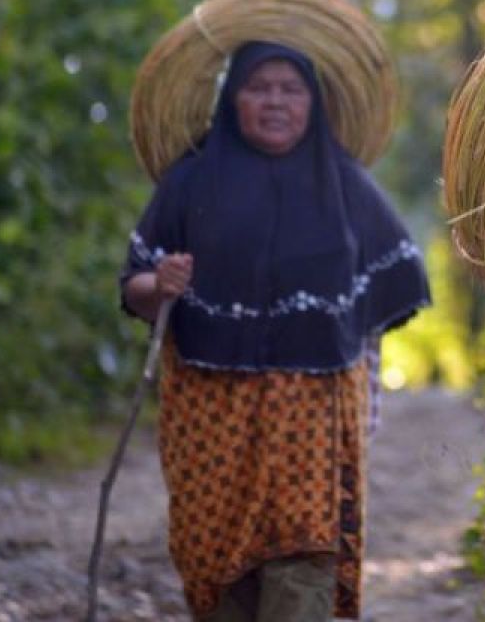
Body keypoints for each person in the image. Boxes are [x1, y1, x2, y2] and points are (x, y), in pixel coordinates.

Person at [119, 41, 431, 621]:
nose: (275, 102)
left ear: (315, 102)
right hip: (209, 413)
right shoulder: (189, 182)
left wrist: (346, 348)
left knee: (303, 553)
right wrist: (159, 283)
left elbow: (396, 284)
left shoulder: (346, 185)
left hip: (310, 412)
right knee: (215, 563)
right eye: (259, 88)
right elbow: (132, 285)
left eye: (292, 89)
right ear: (231, 99)